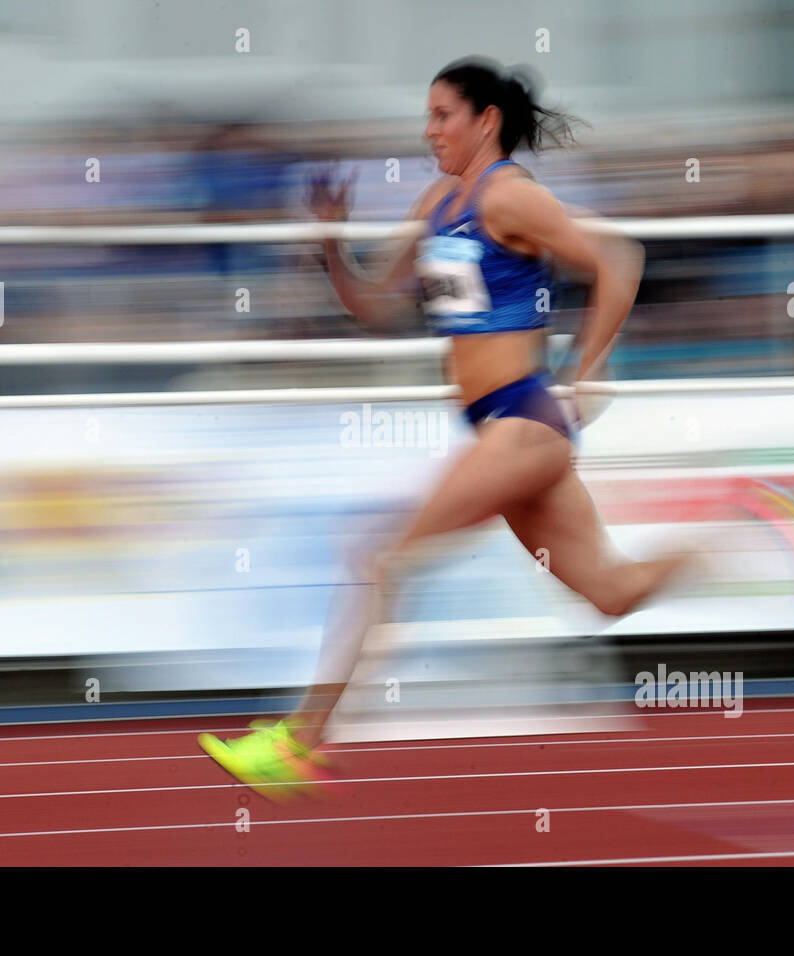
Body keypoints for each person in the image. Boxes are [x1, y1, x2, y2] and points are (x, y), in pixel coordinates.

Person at [200, 56, 690, 801]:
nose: (428, 130)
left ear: (484, 120)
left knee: (381, 556)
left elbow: (620, 259)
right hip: (505, 430)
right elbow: (375, 303)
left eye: (441, 115)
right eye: (426, 115)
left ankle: (297, 742)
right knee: (610, 593)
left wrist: (587, 371)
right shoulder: (439, 203)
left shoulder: (511, 198)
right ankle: (724, 546)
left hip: (527, 421)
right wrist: (333, 243)